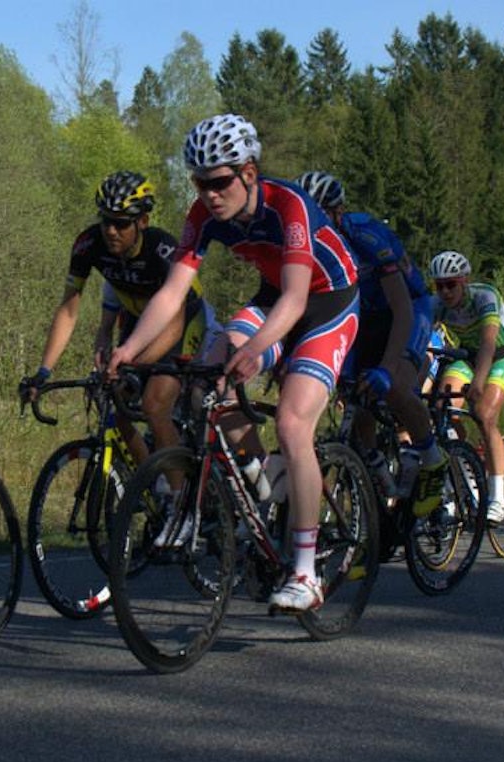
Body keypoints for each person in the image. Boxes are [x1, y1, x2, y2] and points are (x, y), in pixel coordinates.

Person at [107, 114, 359, 613]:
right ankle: (263, 484)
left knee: (291, 423)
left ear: (248, 171)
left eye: (219, 182)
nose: (209, 195)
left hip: (328, 302)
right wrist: (129, 349)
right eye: (199, 184)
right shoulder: (201, 216)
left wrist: (254, 351)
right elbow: (172, 292)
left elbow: (294, 300)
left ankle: (306, 573)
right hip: (276, 298)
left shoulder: (290, 206)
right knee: (207, 385)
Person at [19, 170, 219, 469]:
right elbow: (69, 309)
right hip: (139, 321)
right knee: (114, 403)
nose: (111, 230)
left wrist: (134, 365)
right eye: (105, 221)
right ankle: (147, 484)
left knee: (154, 404)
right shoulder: (89, 244)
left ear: (142, 222)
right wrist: (44, 371)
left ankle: (176, 502)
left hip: (185, 320)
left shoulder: (161, 248)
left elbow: (174, 323)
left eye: (121, 223)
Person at [293, 170, 445, 515]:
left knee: (394, 387)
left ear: (337, 212)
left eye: (319, 216)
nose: (314, 226)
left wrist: (388, 369)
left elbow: (402, 309)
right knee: (355, 401)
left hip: (407, 307)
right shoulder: (304, 244)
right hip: (362, 315)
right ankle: (379, 481)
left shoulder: (366, 236)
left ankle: (433, 461)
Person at [427, 250, 504, 526]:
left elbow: (489, 343)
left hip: (501, 355)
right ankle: (465, 475)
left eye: (451, 284)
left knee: (483, 415)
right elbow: (422, 341)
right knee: (441, 411)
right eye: (439, 285)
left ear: (464, 281)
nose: (445, 291)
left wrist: (479, 382)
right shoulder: (436, 304)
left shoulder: (484, 296)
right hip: (468, 355)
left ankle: (497, 498)